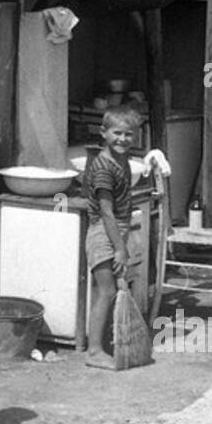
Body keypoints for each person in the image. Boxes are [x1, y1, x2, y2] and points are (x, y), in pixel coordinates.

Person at [83, 106, 144, 370]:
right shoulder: (104, 168)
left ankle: (108, 343)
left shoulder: (122, 161)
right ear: (104, 133)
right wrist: (120, 249)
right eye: (117, 133)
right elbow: (106, 212)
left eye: (128, 134)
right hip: (103, 231)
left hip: (118, 229)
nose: (123, 139)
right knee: (106, 290)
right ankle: (94, 351)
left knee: (116, 288)